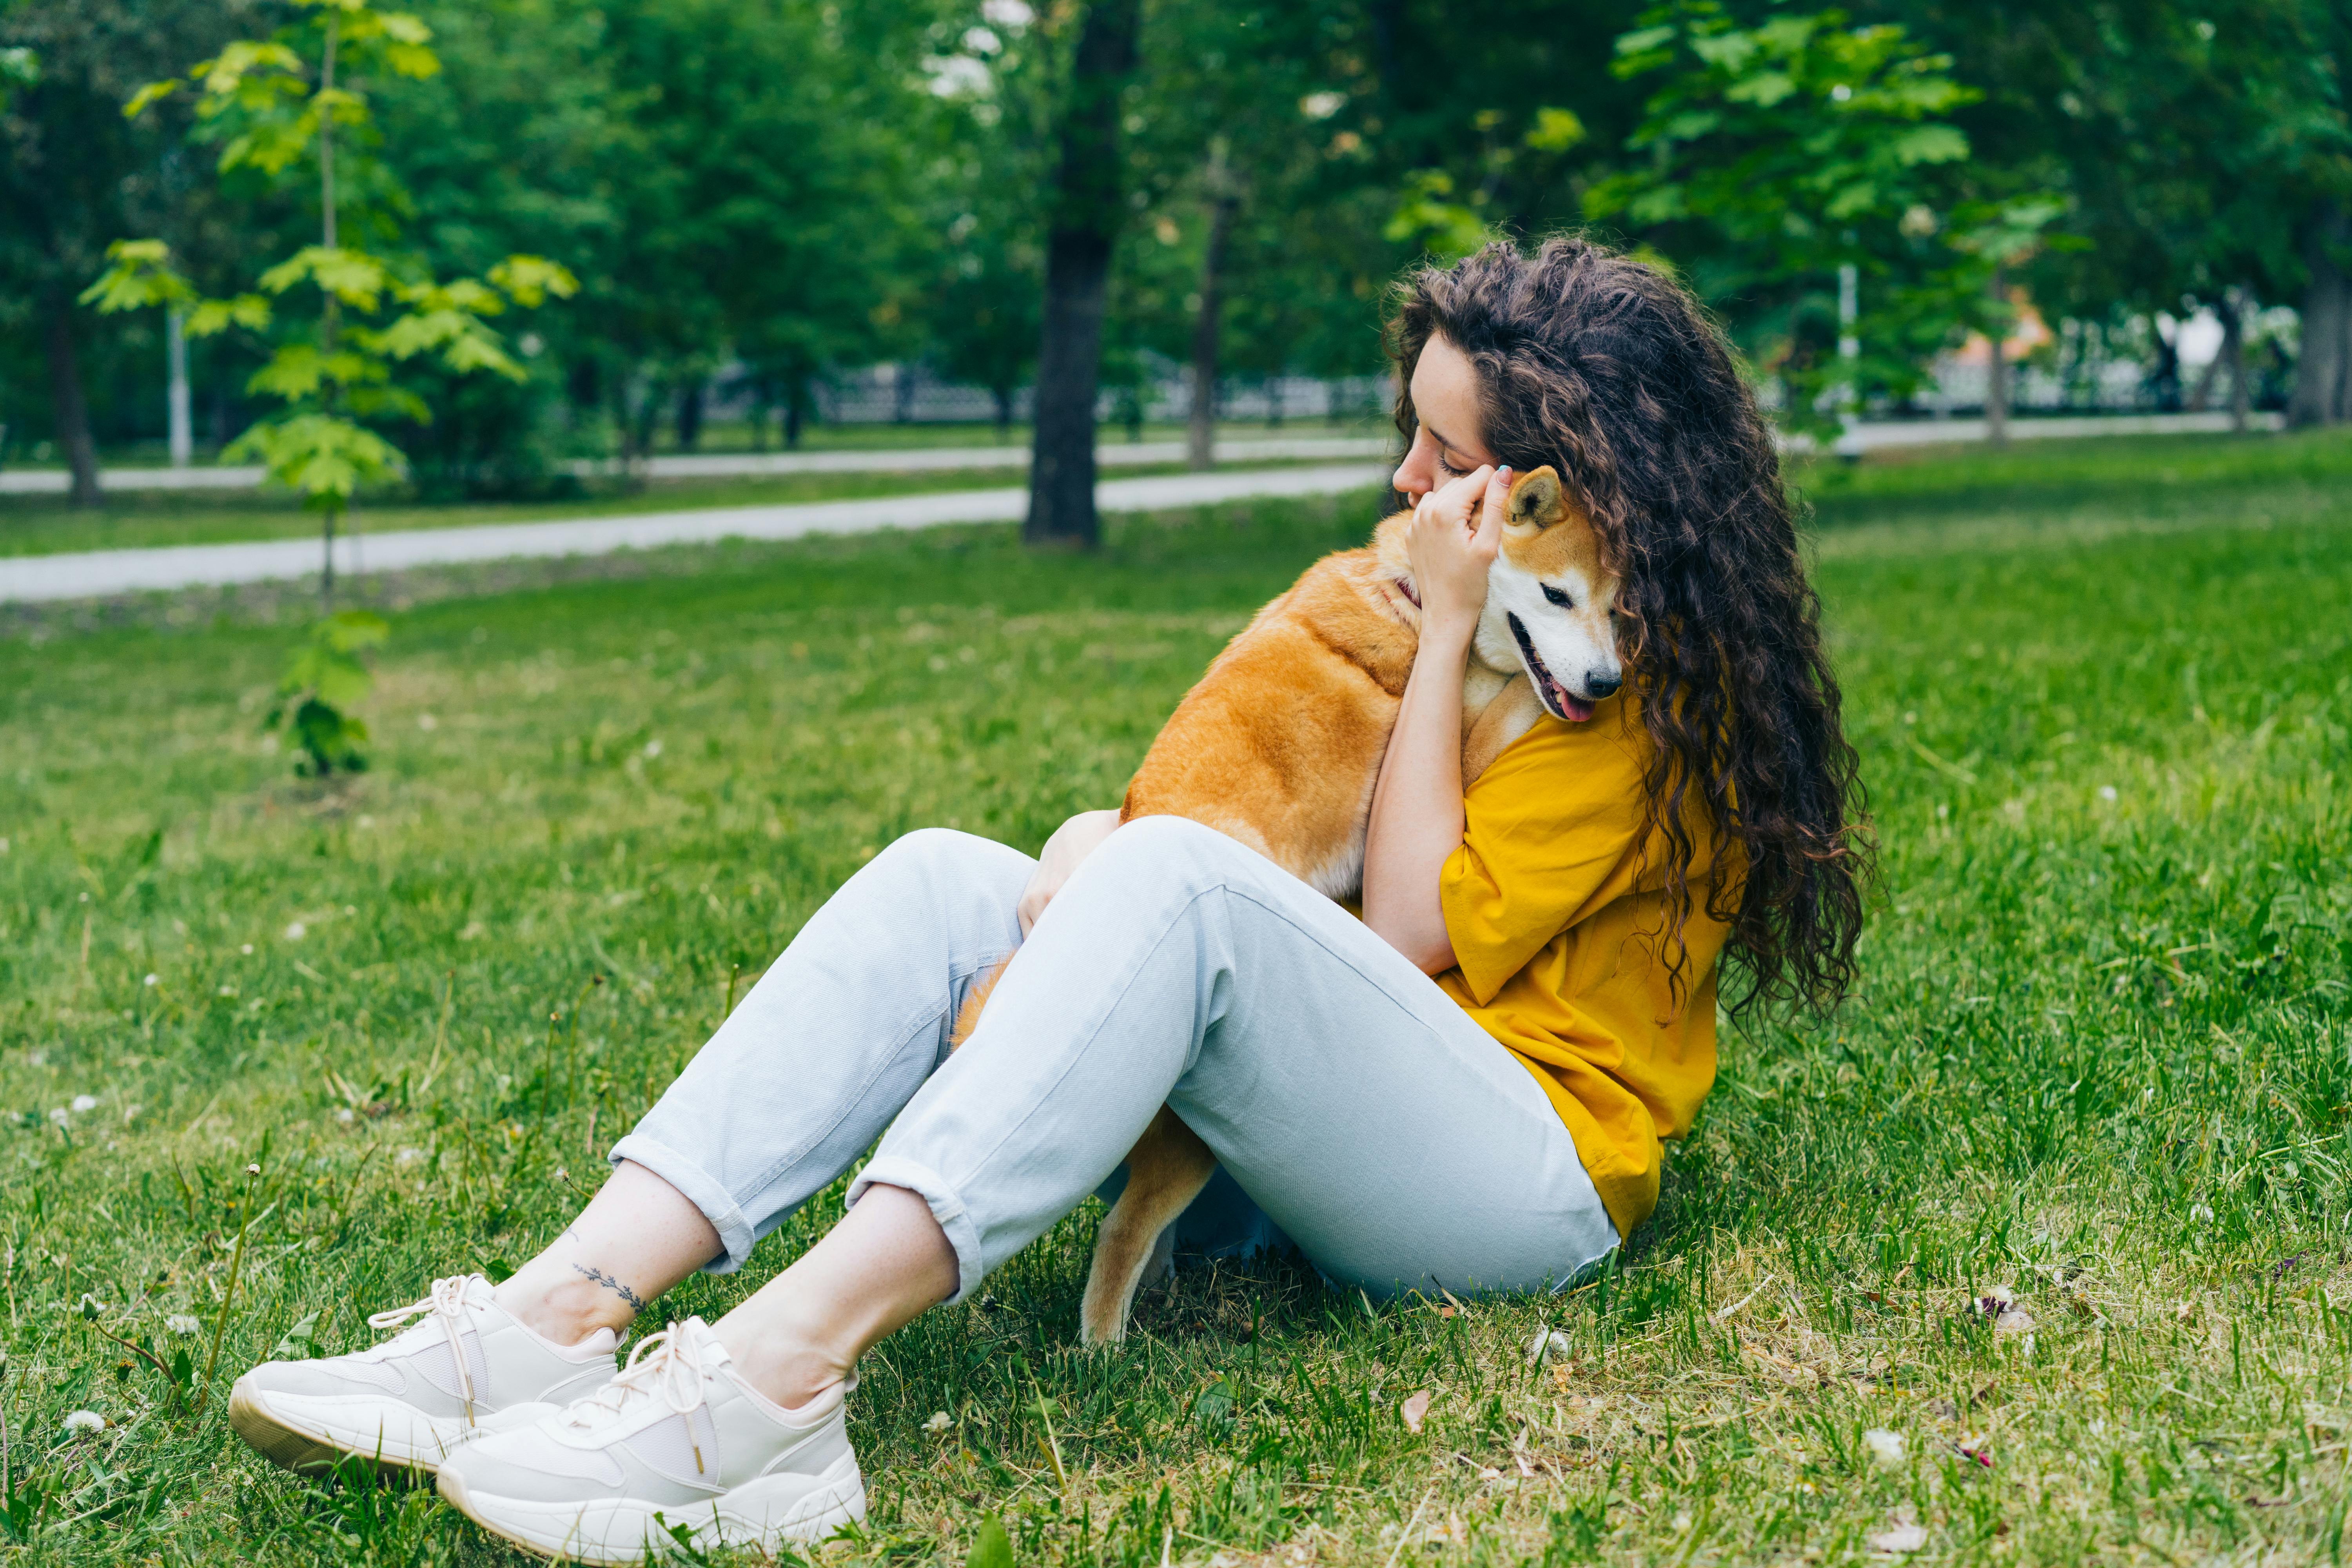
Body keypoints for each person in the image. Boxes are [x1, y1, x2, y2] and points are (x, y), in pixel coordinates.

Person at [227, 236, 1867, 1561]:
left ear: (1569, 490)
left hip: (1519, 1181)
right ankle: (557, 1313)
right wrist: (1117, 847)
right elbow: (1302, 828)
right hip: (1322, 1145)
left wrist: (1437, 633)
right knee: (957, 878)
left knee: (1173, 883)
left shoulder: (1640, 697)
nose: (1406, 471)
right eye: (1414, 432)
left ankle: (778, 1386)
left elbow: (1404, 936)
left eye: (1450, 453)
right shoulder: (1505, 621)